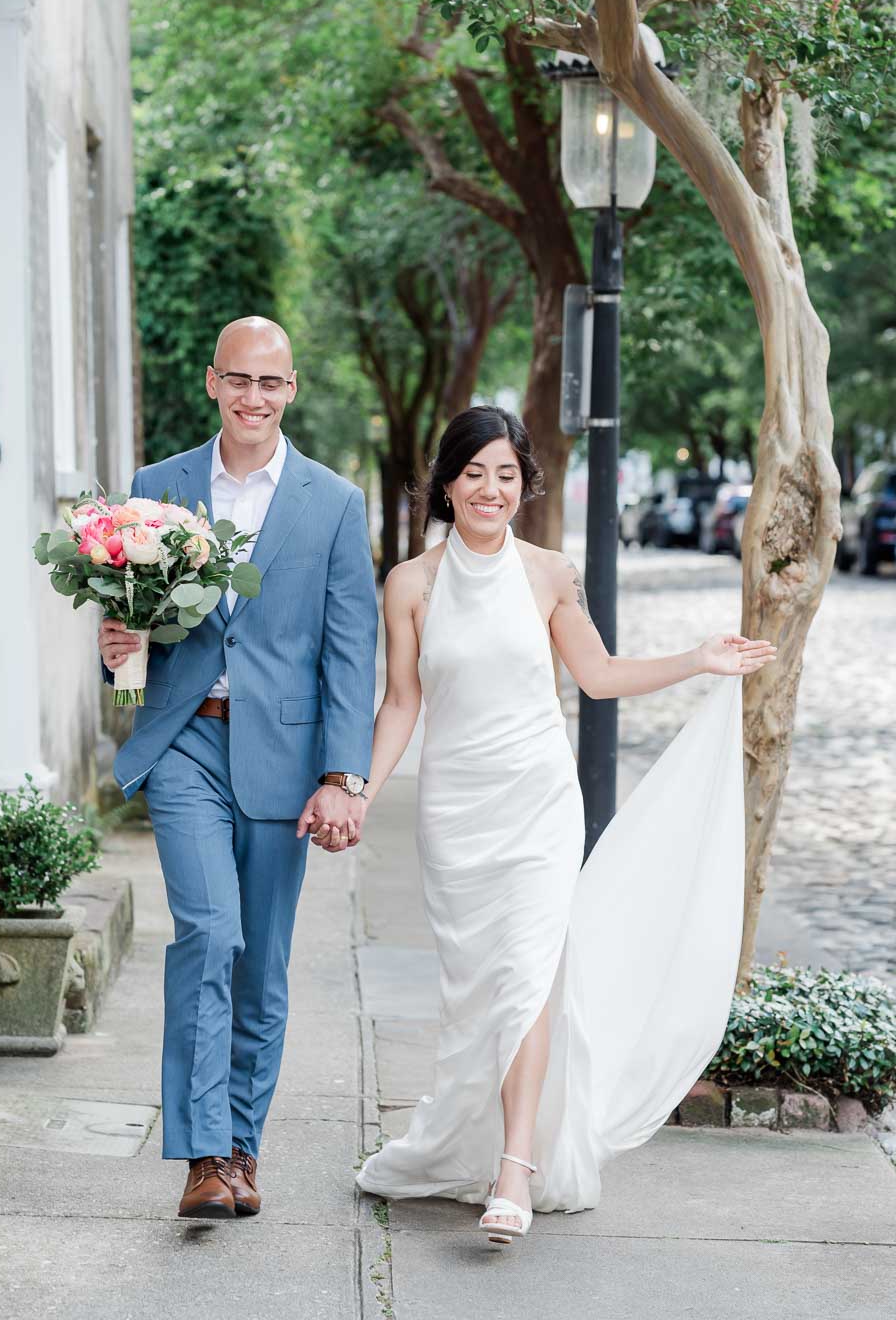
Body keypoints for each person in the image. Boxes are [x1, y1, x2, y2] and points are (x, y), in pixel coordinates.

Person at [354, 405, 775, 1246]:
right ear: (447, 482)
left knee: (530, 978)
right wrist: (361, 791)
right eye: (474, 472)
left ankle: (515, 1170)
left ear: (524, 485)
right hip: (457, 813)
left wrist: (700, 659)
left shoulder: (548, 573)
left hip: (539, 804)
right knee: (478, 993)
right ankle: (470, 1142)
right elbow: (403, 702)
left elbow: (599, 674)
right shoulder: (411, 584)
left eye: (506, 474)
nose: (490, 489)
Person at [99, 317, 377, 1220]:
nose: (254, 397)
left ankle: (243, 1145)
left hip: (283, 755)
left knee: (262, 965)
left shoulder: (333, 502)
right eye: (239, 380)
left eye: (272, 383)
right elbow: (132, 634)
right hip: (184, 739)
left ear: (291, 390)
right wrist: (120, 651)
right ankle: (201, 1155)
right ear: (213, 382)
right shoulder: (156, 489)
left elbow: (349, 651)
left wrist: (343, 774)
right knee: (209, 935)